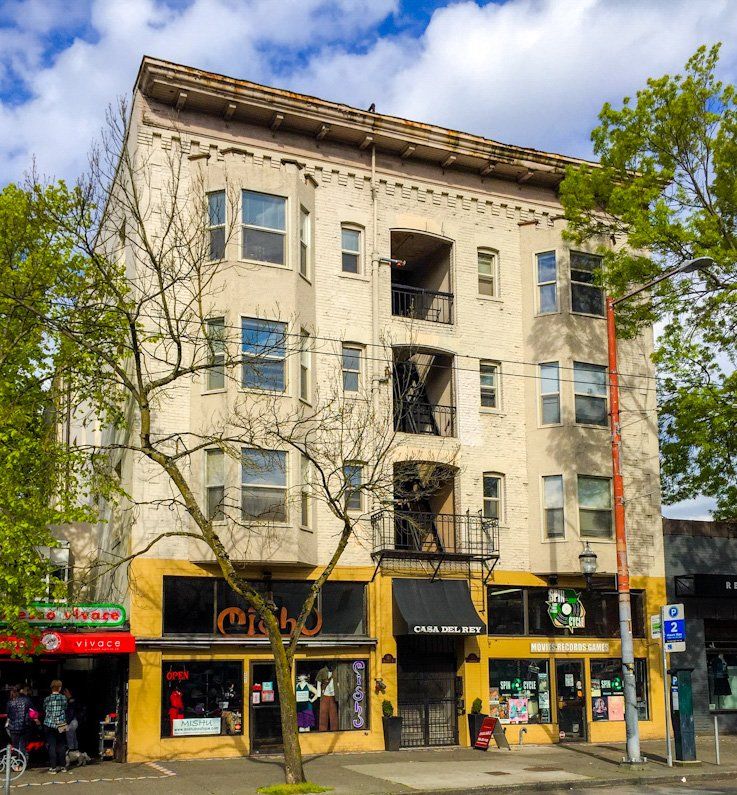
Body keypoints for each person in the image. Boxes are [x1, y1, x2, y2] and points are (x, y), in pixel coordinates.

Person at [42, 681, 68, 773]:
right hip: (61, 724)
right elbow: (65, 708)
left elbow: (44, 708)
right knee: (61, 744)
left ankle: (53, 767)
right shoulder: (64, 698)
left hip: (49, 723)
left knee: (52, 745)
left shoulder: (47, 699)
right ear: (60, 688)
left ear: (51, 688)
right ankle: (63, 766)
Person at [6, 687, 33, 758]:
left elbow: (8, 714)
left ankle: (15, 764)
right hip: (24, 726)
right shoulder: (26, 700)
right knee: (23, 745)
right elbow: (32, 711)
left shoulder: (9, 703)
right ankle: (22, 762)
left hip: (13, 727)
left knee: (15, 745)